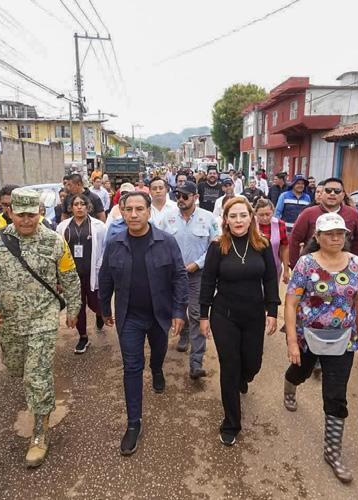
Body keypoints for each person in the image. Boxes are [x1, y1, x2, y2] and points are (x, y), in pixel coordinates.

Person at [0, 188, 81, 467]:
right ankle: (35, 392)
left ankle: (40, 434)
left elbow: (69, 277)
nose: (27, 221)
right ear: (9, 212)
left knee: (37, 376)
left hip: (43, 318)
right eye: (21, 215)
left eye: (32, 215)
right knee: (17, 368)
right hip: (9, 320)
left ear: (40, 213)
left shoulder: (54, 241)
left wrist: (74, 309)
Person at [99, 192, 188, 455]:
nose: (134, 214)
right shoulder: (114, 243)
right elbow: (105, 278)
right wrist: (104, 308)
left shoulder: (166, 242)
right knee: (132, 367)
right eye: (129, 209)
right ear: (122, 212)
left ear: (149, 212)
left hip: (160, 315)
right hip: (130, 317)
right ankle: (133, 423)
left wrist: (178, 311)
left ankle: (157, 369)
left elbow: (179, 277)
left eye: (140, 209)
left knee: (158, 352)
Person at [283, 213, 358, 484]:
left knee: (335, 394)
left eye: (340, 233)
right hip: (309, 337)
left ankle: (333, 452)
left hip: (343, 339)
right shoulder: (306, 264)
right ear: (317, 237)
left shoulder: (355, 263)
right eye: (329, 234)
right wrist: (292, 341)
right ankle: (289, 386)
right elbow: (291, 303)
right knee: (300, 372)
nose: (336, 238)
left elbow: (357, 299)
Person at [200, 197, 279, 446]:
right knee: (229, 367)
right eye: (233, 216)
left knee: (253, 363)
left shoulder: (262, 245)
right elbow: (207, 282)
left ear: (251, 217)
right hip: (224, 315)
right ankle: (231, 422)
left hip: (253, 315)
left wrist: (272, 310)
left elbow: (270, 279)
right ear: (225, 219)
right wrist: (203, 315)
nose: (238, 220)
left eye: (243, 215)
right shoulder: (217, 246)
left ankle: (244, 377)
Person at [159, 181, 220, 378]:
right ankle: (184, 332)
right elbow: (158, 242)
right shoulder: (167, 218)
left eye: (185, 196)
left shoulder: (208, 218)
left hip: (198, 274)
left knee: (196, 313)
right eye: (178, 195)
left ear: (196, 197)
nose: (180, 199)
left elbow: (215, 245)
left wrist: (197, 264)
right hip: (172, 275)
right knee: (175, 309)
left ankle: (196, 362)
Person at [56, 194, 106, 353]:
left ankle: (99, 314)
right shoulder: (62, 227)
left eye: (82, 204)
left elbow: (104, 249)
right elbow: (58, 252)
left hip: (92, 272)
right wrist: (59, 278)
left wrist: (101, 267)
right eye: (75, 204)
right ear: (71, 208)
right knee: (78, 306)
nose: (79, 207)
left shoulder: (99, 226)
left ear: (88, 207)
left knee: (96, 303)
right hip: (72, 275)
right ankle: (83, 337)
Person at [289, 177, 358, 268]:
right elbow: (294, 239)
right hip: (312, 267)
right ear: (321, 194)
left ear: (343, 194)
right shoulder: (308, 213)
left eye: (337, 191)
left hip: (342, 266)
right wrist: (295, 266)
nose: (332, 193)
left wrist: (351, 261)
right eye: (328, 190)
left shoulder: (353, 214)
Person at [255, 198, 290, 284]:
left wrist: (286, 270)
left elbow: (284, 247)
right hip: (254, 267)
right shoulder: (250, 224)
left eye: (268, 214)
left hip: (274, 267)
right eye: (261, 215)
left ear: (273, 212)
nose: (265, 218)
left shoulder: (280, 224)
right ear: (255, 213)